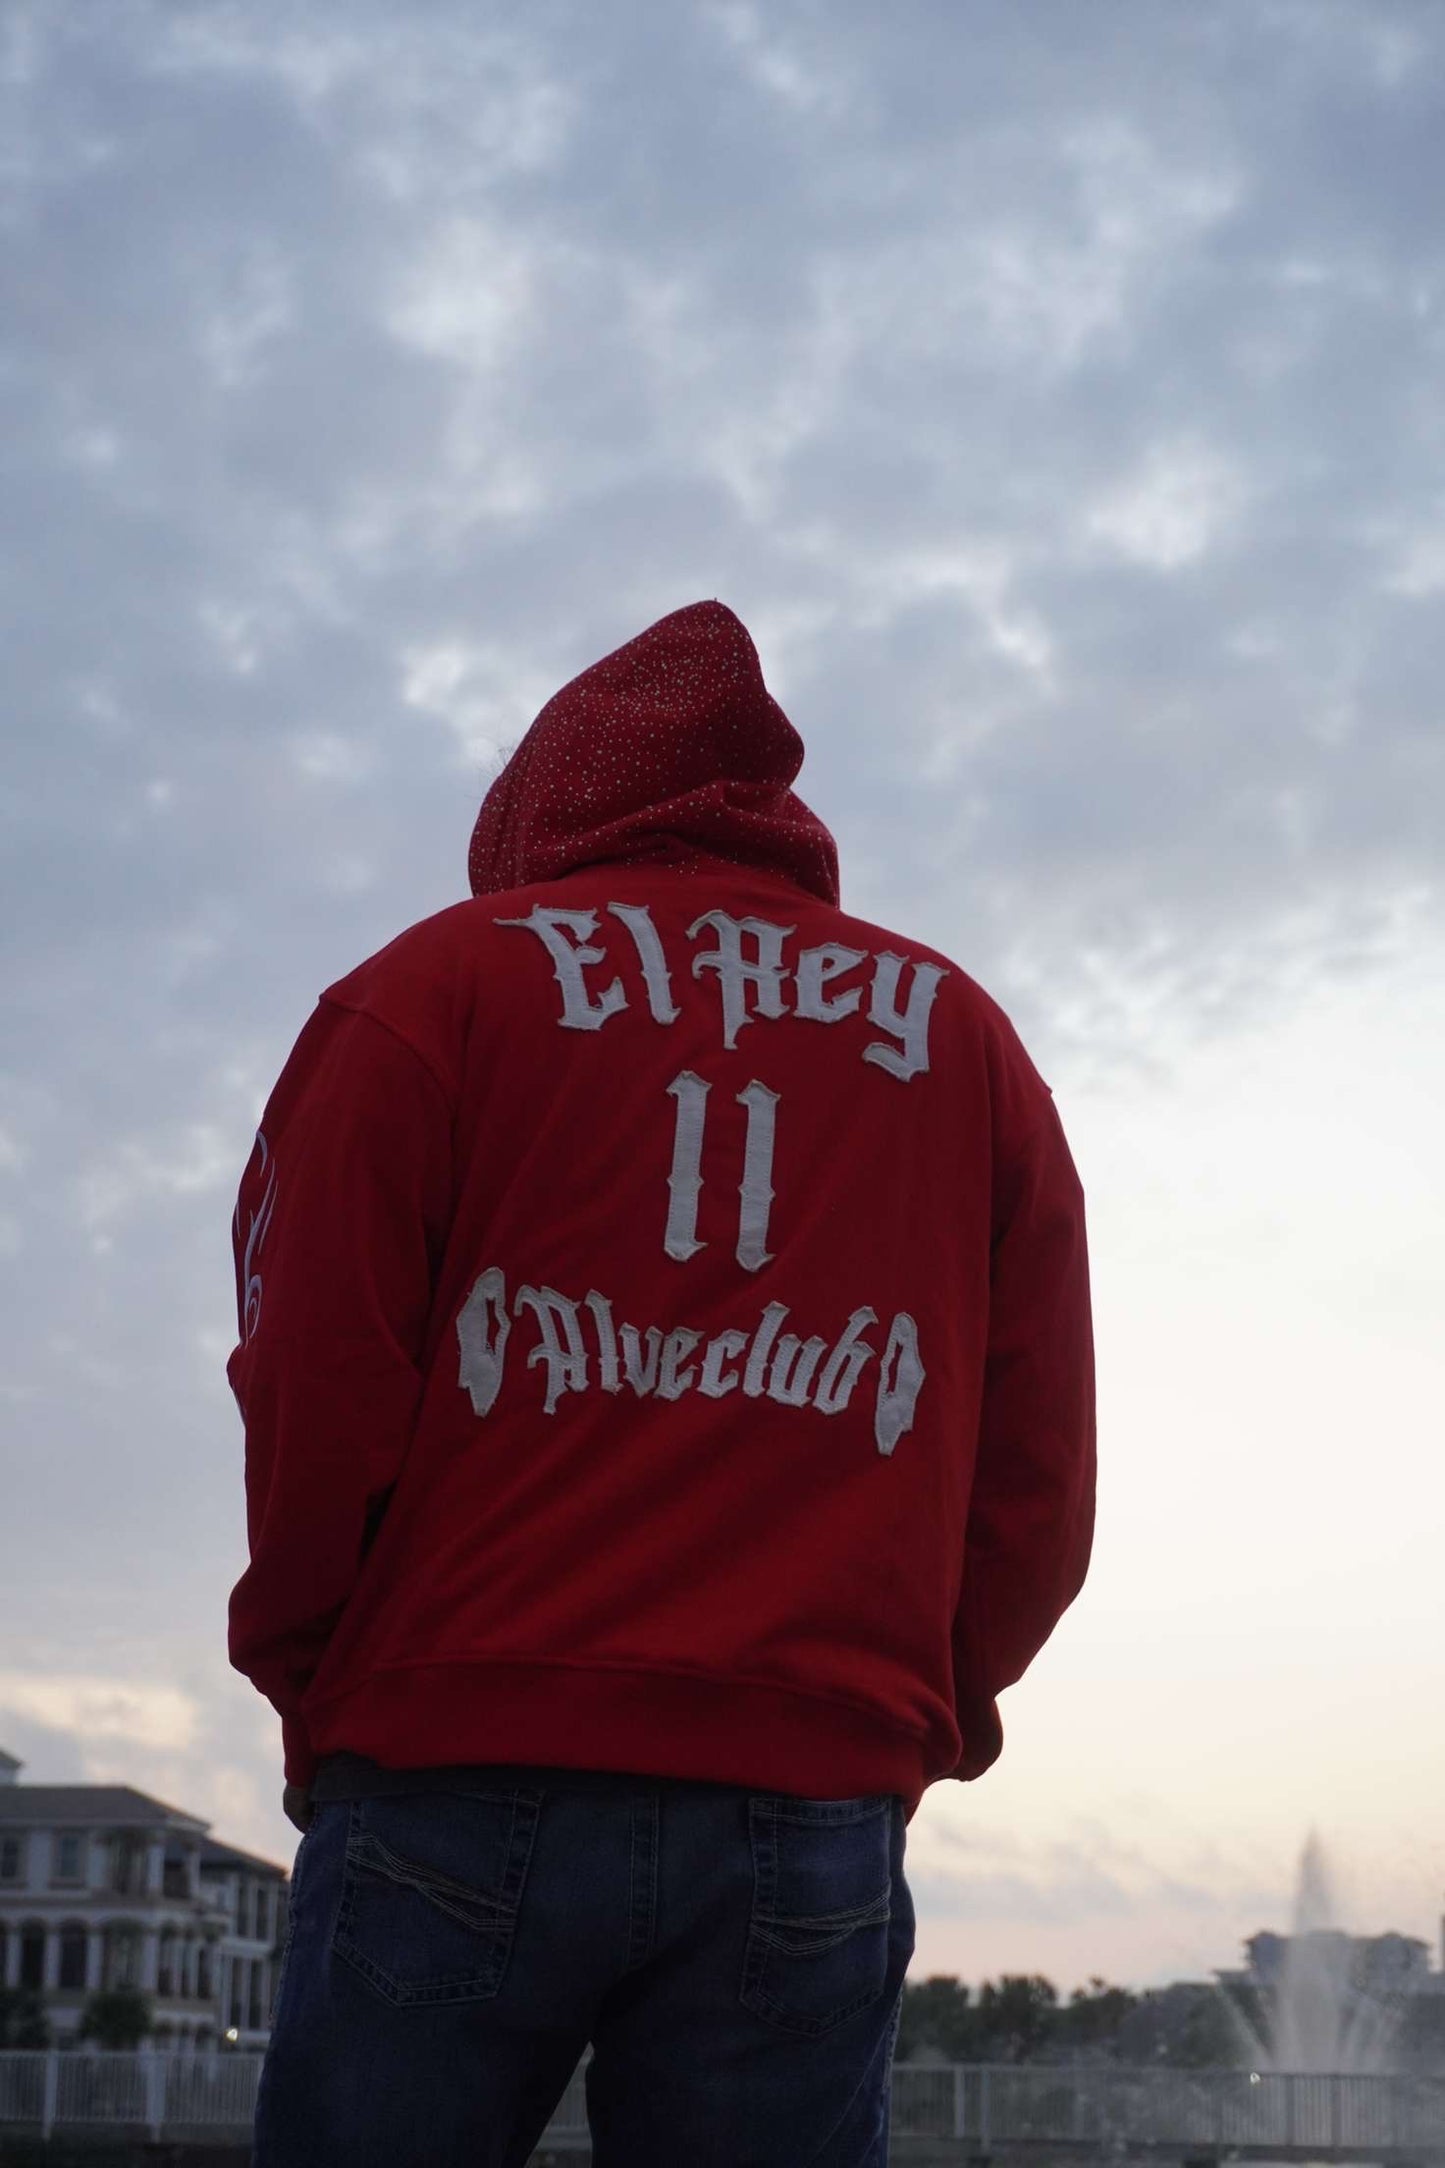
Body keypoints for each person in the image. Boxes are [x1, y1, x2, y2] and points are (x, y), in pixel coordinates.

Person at [226, 599, 1096, 2168]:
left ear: (540, 801)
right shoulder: (962, 1042)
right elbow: (1035, 1467)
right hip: (807, 1791)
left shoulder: (425, 996)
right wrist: (897, 1718)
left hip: (447, 1752)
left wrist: (321, 1680)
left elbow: (313, 1379)